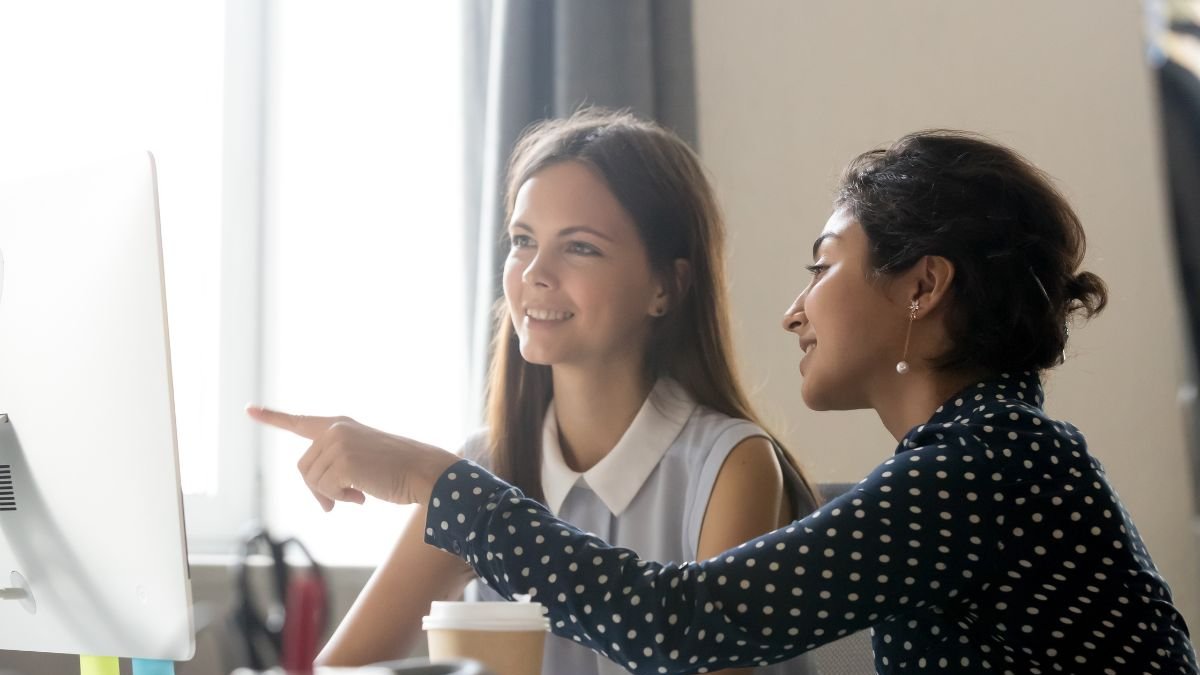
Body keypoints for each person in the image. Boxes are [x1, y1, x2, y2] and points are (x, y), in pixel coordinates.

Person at [250, 130, 1200, 673]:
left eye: (823, 266)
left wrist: (431, 479)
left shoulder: (995, 459)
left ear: (923, 288)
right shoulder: (977, 458)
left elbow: (687, 619)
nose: (795, 309)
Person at [251, 109, 819, 674]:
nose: (534, 273)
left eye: (580, 247)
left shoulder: (732, 466)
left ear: (665, 287)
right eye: (523, 240)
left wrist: (429, 476)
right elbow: (340, 670)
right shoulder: (485, 465)